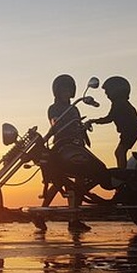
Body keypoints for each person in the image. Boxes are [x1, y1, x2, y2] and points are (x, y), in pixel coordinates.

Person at [36, 74, 92, 233]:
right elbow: (55, 122)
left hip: (77, 146)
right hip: (62, 147)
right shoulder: (54, 108)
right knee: (58, 181)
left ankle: (74, 218)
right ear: (57, 92)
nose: (66, 92)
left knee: (79, 181)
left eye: (68, 89)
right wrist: (60, 124)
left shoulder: (75, 108)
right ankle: (41, 213)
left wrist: (82, 128)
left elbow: (77, 125)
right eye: (63, 89)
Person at [86, 76, 137, 169]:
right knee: (119, 152)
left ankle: (123, 171)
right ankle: (122, 170)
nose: (106, 94)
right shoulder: (122, 103)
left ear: (115, 91)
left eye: (107, 91)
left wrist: (94, 121)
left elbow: (109, 118)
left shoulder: (120, 104)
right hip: (129, 132)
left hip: (130, 132)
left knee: (120, 152)